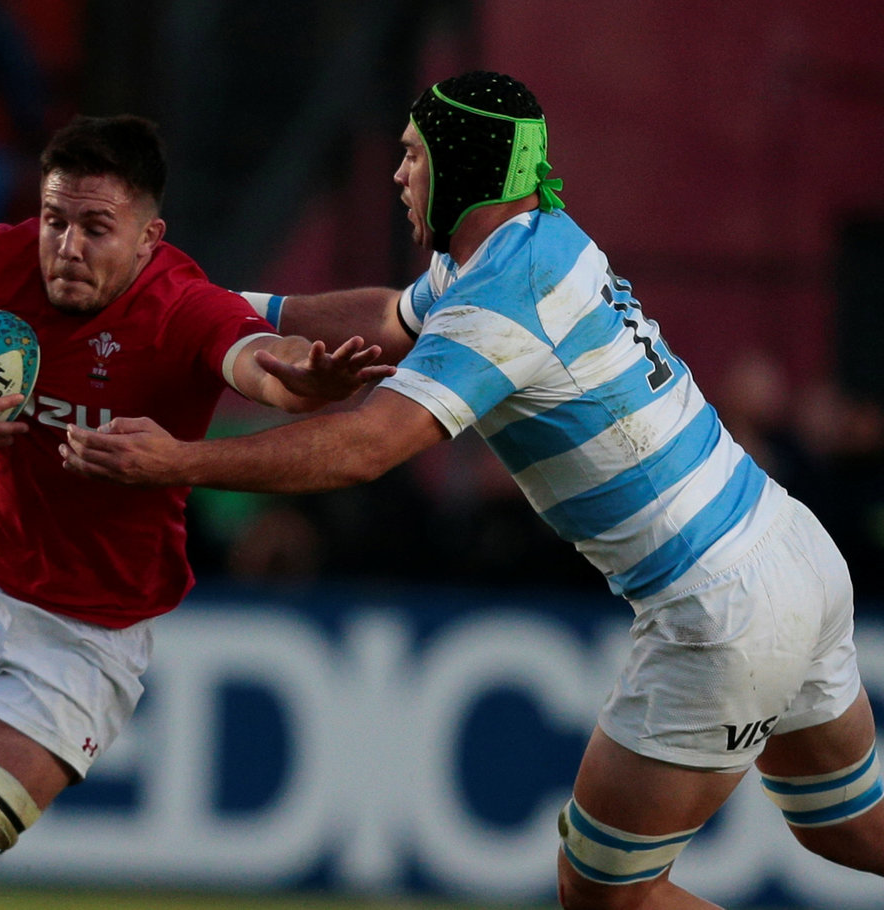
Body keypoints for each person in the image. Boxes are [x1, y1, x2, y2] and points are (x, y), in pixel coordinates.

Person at [62, 72, 884, 909]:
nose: (398, 175)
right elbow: (389, 317)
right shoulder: (530, 243)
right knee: (848, 827)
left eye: (413, 156)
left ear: (462, 168)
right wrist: (202, 305)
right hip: (789, 547)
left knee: (608, 895)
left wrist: (176, 461)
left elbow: (367, 448)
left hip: (720, 602)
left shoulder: (505, 295)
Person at [0, 113, 392, 909]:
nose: (66, 246)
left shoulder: (182, 303)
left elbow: (259, 364)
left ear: (147, 238)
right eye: (54, 220)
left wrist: (304, 382)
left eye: (96, 228)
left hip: (84, 632)